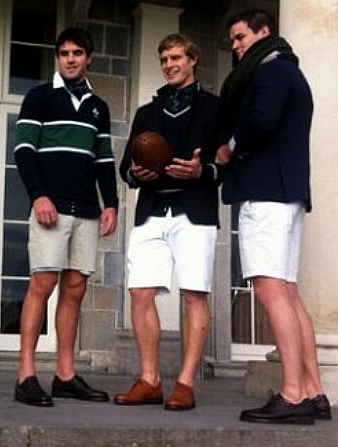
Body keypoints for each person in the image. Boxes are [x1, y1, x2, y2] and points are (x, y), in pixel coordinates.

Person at [216, 9, 330, 424]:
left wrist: (229, 148)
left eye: (241, 36)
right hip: (286, 192)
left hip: (265, 191)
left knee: (269, 290)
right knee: (288, 291)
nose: (236, 45)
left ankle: (293, 395)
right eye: (232, 40)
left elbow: (260, 122)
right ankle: (315, 391)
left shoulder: (271, 70)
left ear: (265, 32)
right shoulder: (290, 72)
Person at [112, 34, 221, 412]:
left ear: (193, 59)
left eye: (176, 58)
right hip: (151, 211)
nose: (169, 64)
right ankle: (150, 380)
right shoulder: (147, 112)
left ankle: (186, 383)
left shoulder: (215, 108)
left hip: (196, 212)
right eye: (164, 59)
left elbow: (227, 163)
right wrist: (136, 174)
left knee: (194, 294)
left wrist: (201, 170)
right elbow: (125, 168)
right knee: (139, 293)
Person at [13, 27, 118, 407]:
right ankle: (26, 376)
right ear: (57, 57)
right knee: (42, 285)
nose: (70, 59)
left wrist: (111, 204)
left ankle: (65, 375)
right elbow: (24, 152)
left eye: (77, 53)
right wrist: (38, 196)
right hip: (50, 208)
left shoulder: (98, 107)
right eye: (64, 53)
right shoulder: (39, 98)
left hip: (87, 210)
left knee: (75, 289)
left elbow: (104, 160)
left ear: (89, 58)